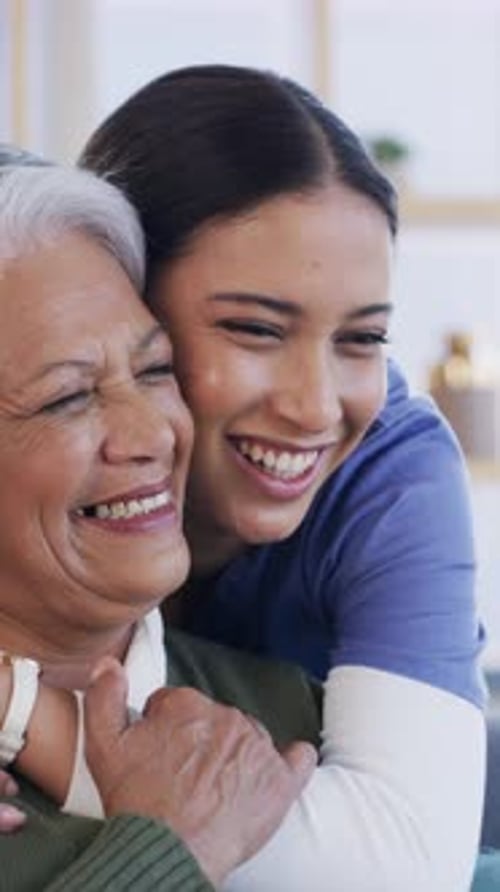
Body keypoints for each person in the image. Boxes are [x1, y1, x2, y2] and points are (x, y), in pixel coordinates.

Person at [77, 65, 486, 888]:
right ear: (119, 304)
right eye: (257, 330)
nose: (315, 406)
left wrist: (34, 738)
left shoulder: (390, 471)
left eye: (361, 339)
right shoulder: (36, 436)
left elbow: (402, 863)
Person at [0, 156, 319, 891]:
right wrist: (172, 847)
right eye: (66, 398)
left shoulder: (301, 710)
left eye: (154, 370)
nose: (153, 433)